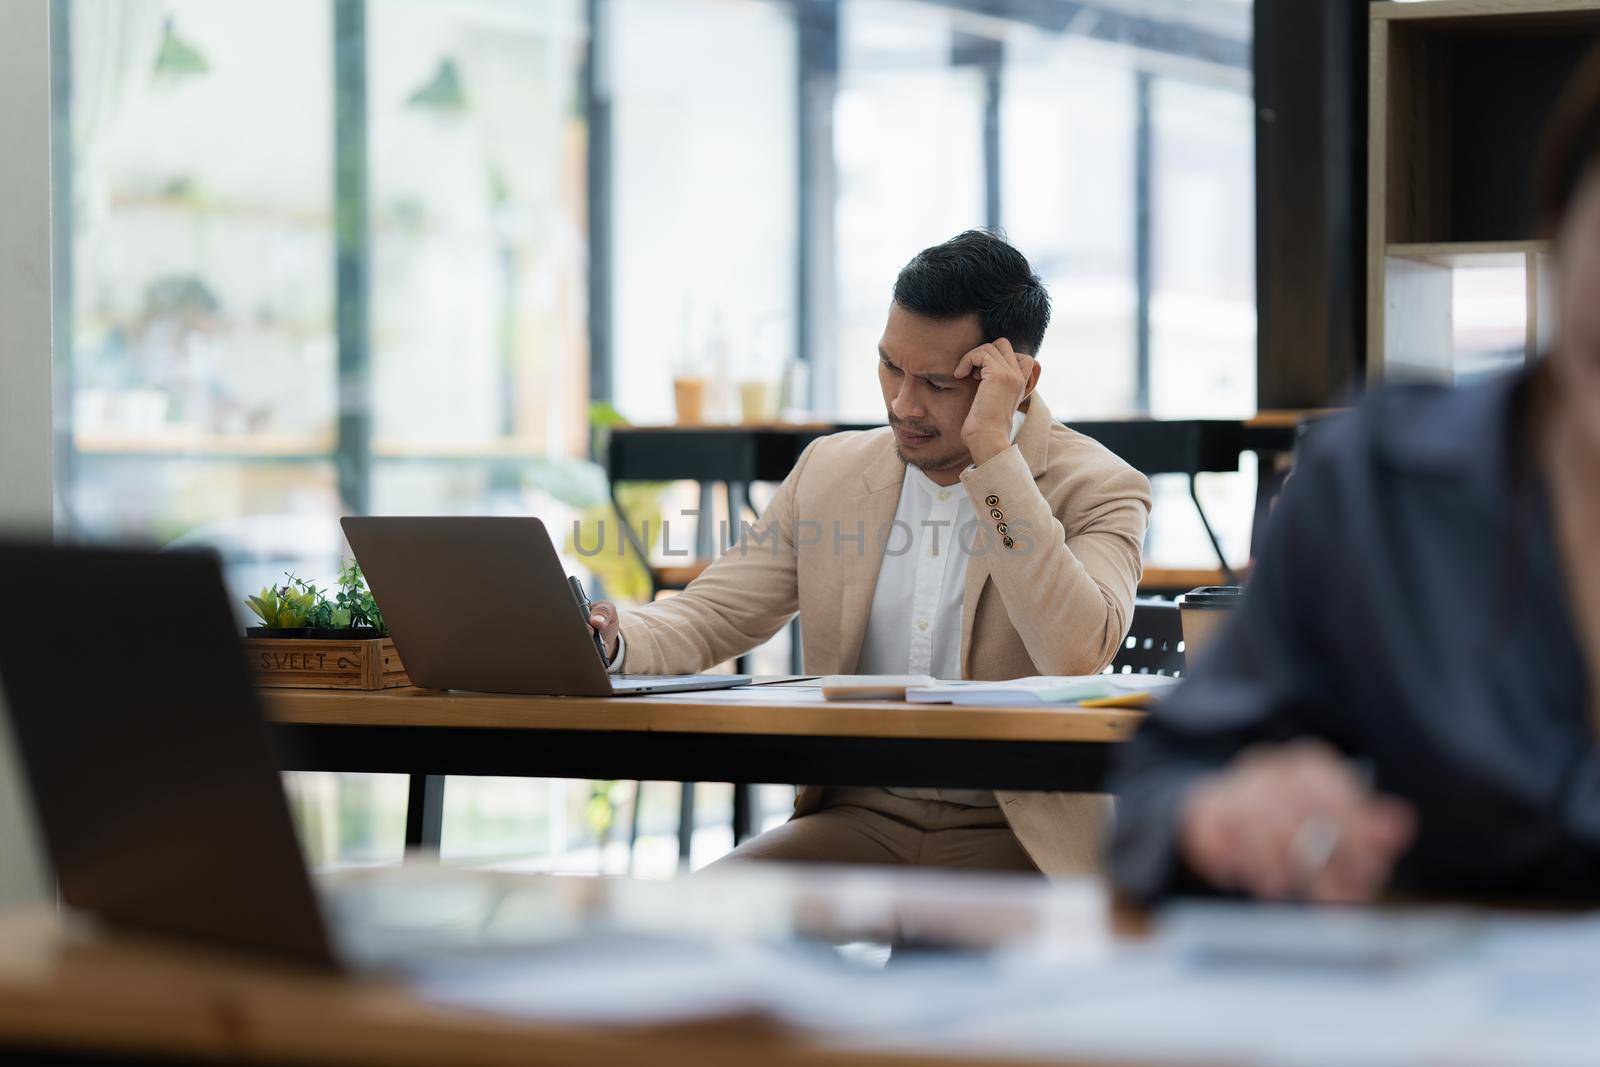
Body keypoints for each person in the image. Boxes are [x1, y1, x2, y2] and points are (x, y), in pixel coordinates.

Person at [1109, 52, 1600, 904]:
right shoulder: (1383, 486)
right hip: (1443, 1026)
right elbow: (1162, 788)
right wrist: (1234, 813)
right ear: (1560, 228)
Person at [586, 230, 1151, 876]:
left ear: (1018, 382)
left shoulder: (1103, 487)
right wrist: (613, 636)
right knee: (693, 921)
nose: (902, 404)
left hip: (1018, 837)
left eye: (937, 382)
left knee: (957, 967)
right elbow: (712, 612)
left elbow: (1077, 650)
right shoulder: (830, 471)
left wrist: (995, 455)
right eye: (890, 366)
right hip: (861, 822)